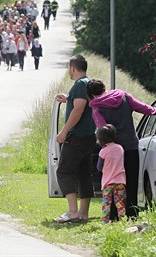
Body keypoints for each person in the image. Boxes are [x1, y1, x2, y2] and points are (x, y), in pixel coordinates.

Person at [87, 78, 156, 218]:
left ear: (91, 94)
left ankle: (113, 215)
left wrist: (105, 147)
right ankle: (132, 213)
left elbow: (102, 130)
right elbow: (145, 108)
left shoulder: (96, 108)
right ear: (104, 87)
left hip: (113, 151)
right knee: (131, 181)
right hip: (131, 145)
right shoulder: (123, 96)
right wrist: (155, 110)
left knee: (112, 181)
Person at [53, 55, 96, 223]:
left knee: (64, 171)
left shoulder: (79, 84)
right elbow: (81, 104)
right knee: (84, 174)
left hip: (76, 137)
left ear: (73, 68)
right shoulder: (88, 83)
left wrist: (64, 132)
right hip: (89, 136)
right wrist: (68, 98)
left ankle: (72, 211)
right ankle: (83, 213)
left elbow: (78, 110)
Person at [96, 124, 126, 224]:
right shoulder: (120, 148)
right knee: (119, 201)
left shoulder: (103, 151)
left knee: (106, 202)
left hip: (108, 181)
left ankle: (105, 221)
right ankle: (123, 220)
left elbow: (99, 167)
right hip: (120, 180)